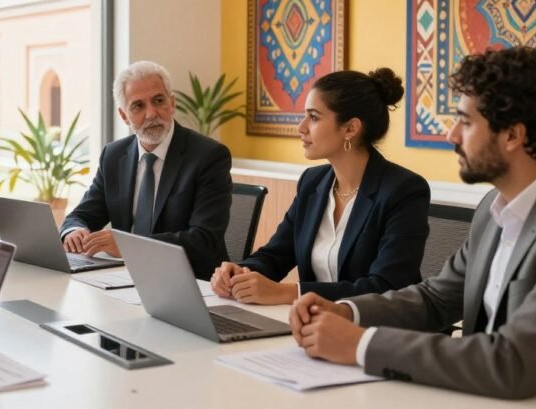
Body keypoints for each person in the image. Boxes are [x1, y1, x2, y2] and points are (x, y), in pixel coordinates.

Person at [289, 47, 536, 403]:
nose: (452, 135)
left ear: (512, 135)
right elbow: (436, 299)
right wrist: (347, 311)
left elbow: (512, 363)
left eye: (465, 122)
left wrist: (360, 344)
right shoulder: (493, 209)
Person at [210, 68, 430, 305]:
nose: (301, 127)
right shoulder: (312, 183)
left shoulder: (404, 191)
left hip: (378, 332)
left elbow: (385, 287)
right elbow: (275, 256)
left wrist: (287, 293)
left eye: (314, 117)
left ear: (350, 129)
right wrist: (239, 273)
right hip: (316, 325)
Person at [60, 61, 232, 280]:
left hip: (189, 281)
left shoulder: (208, 156)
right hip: (123, 277)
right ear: (124, 116)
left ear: (172, 103)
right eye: (138, 106)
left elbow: (203, 239)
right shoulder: (114, 156)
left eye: (158, 101)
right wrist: (73, 231)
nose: (151, 114)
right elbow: (82, 215)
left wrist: (129, 245)